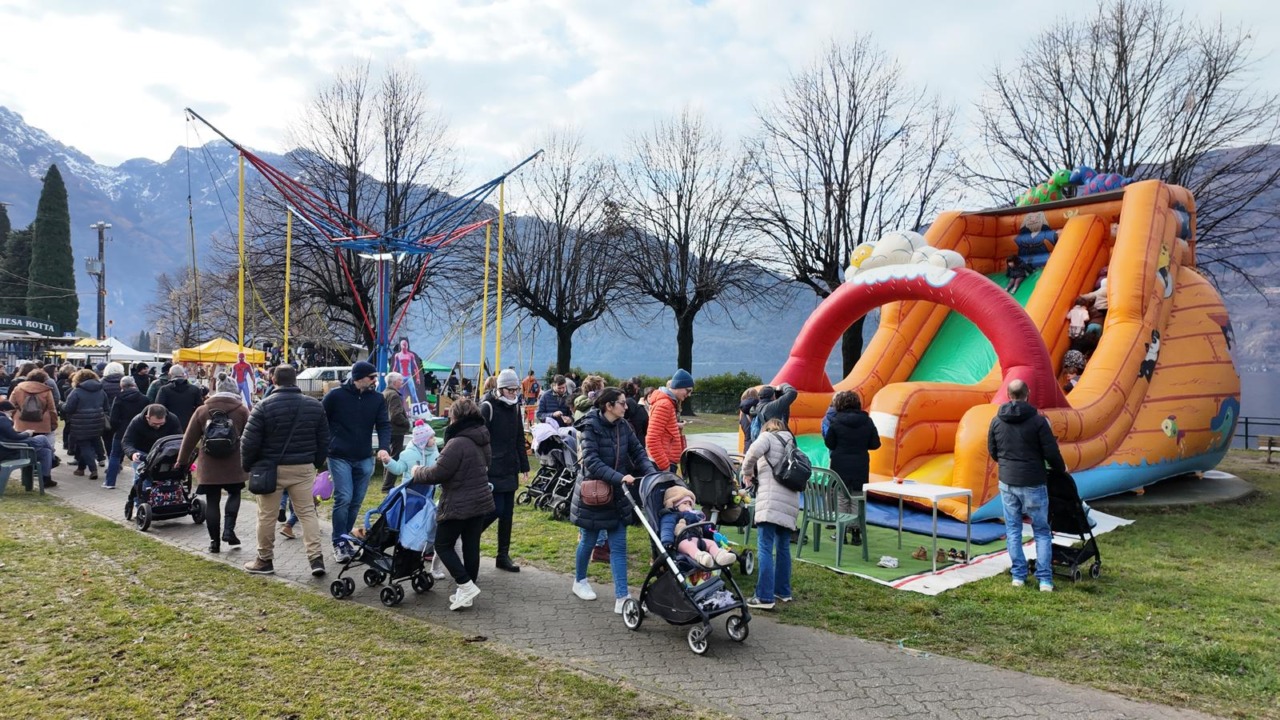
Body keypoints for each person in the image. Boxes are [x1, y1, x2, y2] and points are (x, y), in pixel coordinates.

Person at [570, 387, 658, 614]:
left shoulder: (623, 426)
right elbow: (592, 462)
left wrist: (651, 474)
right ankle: (579, 580)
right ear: (608, 406)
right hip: (594, 494)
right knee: (588, 540)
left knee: (619, 546)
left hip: (618, 495)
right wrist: (620, 477)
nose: (626, 407)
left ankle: (622, 597)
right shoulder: (590, 427)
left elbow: (638, 452)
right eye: (622, 403)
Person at [240, 364, 330, 576]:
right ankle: (316, 559)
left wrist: (248, 466)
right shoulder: (314, 406)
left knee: (267, 516)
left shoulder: (263, 407)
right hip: (303, 467)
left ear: (273, 380)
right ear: (295, 380)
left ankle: (264, 560)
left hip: (271, 469)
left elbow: (249, 442)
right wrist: (315, 463)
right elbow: (324, 439)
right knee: (307, 513)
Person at [410, 398, 494, 611]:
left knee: (442, 545)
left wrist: (417, 471)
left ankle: (465, 585)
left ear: (456, 417)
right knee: (471, 545)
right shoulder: (482, 437)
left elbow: (438, 473)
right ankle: (467, 591)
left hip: (458, 502)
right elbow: (486, 464)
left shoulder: (457, 443)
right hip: (480, 499)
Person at [987, 379, 1066, 592]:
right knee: (1041, 530)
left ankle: (1018, 576)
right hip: (1033, 482)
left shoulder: (996, 421)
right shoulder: (1038, 421)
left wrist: (1007, 465)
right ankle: (1045, 580)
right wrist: (1061, 469)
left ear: (1008, 395)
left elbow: (993, 451)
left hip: (1007, 481)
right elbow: (1051, 452)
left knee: (1013, 529)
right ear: (1027, 393)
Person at [323, 361, 392, 563]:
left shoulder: (377, 399)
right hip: (338, 455)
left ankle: (345, 539)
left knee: (356, 501)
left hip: (364, 456)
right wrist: (325, 444)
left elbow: (384, 424)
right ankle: (338, 542)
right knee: (344, 497)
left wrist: (384, 447)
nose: (375, 381)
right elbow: (320, 419)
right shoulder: (335, 396)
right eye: (371, 377)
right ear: (359, 377)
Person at [176, 377, 250, 553]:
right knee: (234, 494)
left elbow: (189, 439)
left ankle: (214, 543)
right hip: (234, 461)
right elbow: (251, 437)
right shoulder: (242, 410)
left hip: (209, 463)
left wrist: (181, 461)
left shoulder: (202, 410)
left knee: (212, 501)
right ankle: (229, 530)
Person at [741, 418, 803, 610]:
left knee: (765, 547)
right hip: (790, 502)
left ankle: (764, 596)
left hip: (770, 501)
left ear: (767, 428)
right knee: (783, 547)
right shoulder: (792, 442)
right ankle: (783, 591)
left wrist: (747, 473)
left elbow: (751, 454)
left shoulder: (767, 437)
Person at [481, 369, 530, 572]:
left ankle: (503, 555)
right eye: (510, 390)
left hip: (510, 466)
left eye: (516, 389)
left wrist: (524, 465)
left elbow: (519, 436)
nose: (514, 393)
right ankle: (467, 535)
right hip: (492, 467)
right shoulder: (487, 406)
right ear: (500, 389)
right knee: (495, 509)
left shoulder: (515, 406)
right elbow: (479, 437)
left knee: (507, 515)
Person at [823, 390, 881, 539]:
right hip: (860, 464)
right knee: (857, 497)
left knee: (841, 497)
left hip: (839, 464)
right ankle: (856, 532)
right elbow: (875, 443)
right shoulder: (867, 421)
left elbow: (829, 443)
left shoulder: (836, 421)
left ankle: (841, 531)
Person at [121, 404, 183, 519]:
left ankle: (169, 502)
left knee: (169, 477)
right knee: (142, 479)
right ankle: (139, 506)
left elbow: (179, 438)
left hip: (164, 453)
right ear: (147, 417)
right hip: (143, 453)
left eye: (161, 424)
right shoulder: (137, 422)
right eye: (154, 424)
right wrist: (132, 453)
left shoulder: (172, 419)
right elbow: (127, 441)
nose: (158, 426)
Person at [659, 485, 737, 568]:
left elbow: (702, 526)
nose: (688, 506)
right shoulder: (671, 516)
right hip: (682, 541)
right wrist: (667, 541)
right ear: (675, 505)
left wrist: (710, 530)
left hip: (698, 539)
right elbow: (667, 528)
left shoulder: (695, 516)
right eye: (685, 503)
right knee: (689, 546)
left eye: (690, 504)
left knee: (711, 543)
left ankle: (720, 556)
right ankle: (702, 557)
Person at [63, 369, 110, 480]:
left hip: (80, 423)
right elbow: (106, 407)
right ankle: (80, 469)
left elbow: (69, 408)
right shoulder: (101, 390)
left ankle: (93, 469)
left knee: (84, 446)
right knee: (88, 444)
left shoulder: (76, 392)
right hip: (97, 422)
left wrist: (61, 405)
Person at [0, 400, 56, 490]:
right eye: (10, 412)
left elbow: (10, 436)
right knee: (42, 438)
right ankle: (53, 460)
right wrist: (27, 433)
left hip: (10, 448)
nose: (11, 414)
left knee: (46, 451)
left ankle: (47, 478)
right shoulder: (2, 420)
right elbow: (14, 436)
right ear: (3, 410)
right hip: (14, 451)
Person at [104, 376, 148, 489]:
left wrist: (116, 429)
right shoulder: (144, 399)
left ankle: (110, 482)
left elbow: (113, 418)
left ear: (121, 386)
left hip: (121, 431)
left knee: (115, 456)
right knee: (139, 457)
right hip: (139, 432)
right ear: (134, 384)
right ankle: (140, 484)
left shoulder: (119, 398)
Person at [645, 369, 694, 473]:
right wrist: (665, 466)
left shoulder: (668, 403)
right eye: (688, 390)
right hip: (662, 464)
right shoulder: (665, 405)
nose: (689, 395)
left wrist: (675, 426)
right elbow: (652, 438)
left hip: (663, 461)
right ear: (679, 386)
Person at [8, 368, 58, 450]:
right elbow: (52, 409)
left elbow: (11, 406)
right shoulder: (46, 390)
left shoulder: (18, 388)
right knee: (41, 446)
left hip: (21, 423)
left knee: (23, 447)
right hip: (42, 424)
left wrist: (12, 419)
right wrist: (54, 423)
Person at [380, 371, 412, 492]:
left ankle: (386, 483)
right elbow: (395, 415)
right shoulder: (394, 395)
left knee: (388, 457)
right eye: (400, 380)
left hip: (388, 429)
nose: (402, 382)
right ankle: (388, 486)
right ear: (394, 382)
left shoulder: (384, 393)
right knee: (394, 457)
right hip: (396, 430)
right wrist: (407, 423)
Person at [156, 364, 204, 432]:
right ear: (183, 374)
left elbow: (159, 408)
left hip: (168, 425)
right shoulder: (194, 389)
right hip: (190, 424)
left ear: (170, 375)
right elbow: (200, 408)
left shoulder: (164, 390)